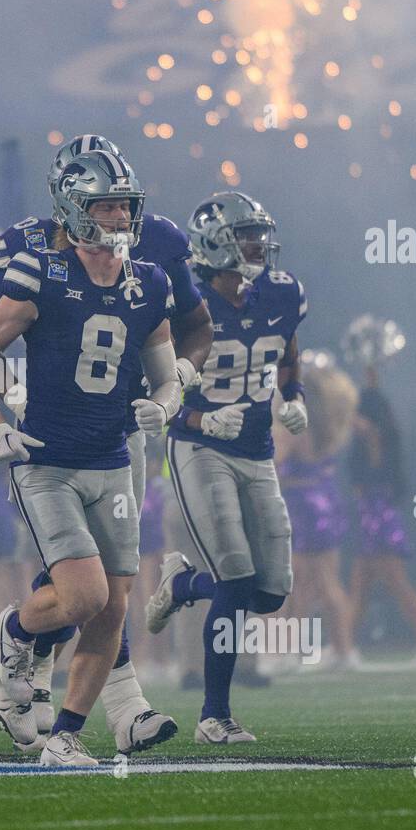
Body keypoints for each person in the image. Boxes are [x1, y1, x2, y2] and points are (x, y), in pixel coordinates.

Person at [0, 135, 213, 755]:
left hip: (116, 447)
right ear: (74, 207)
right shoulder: (33, 265)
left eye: (125, 204)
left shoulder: (150, 278)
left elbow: (173, 355)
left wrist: (170, 396)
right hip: (47, 455)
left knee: (111, 602)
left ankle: (71, 732)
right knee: (85, 594)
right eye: (107, 206)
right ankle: (16, 642)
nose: (123, 217)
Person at [146, 191, 306, 743]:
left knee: (270, 593)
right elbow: (150, 390)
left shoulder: (283, 294)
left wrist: (295, 393)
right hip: (198, 447)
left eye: (259, 234)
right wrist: (197, 421)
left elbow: (287, 351)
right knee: (236, 580)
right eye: (246, 236)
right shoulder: (183, 304)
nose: (259, 245)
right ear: (216, 244)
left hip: (258, 451)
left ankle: (185, 583)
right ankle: (214, 716)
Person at [342, 316, 416, 666]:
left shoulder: (374, 408)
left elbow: (375, 442)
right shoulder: (379, 405)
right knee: (361, 580)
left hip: (378, 501)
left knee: (393, 577)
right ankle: (343, 649)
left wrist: (359, 430)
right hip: (374, 499)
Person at [272, 349, 360, 669]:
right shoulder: (328, 421)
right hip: (326, 499)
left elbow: (274, 458)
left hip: (303, 503)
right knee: (323, 581)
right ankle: (341, 649)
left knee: (300, 581)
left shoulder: (295, 422)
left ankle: (291, 652)